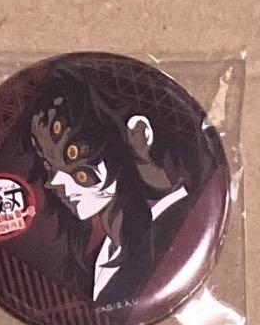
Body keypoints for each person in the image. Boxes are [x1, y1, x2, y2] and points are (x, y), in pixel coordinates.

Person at [22, 66, 203, 306]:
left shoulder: (182, 225)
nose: (53, 182)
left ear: (138, 134)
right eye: (49, 165)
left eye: (72, 155)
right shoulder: (103, 257)